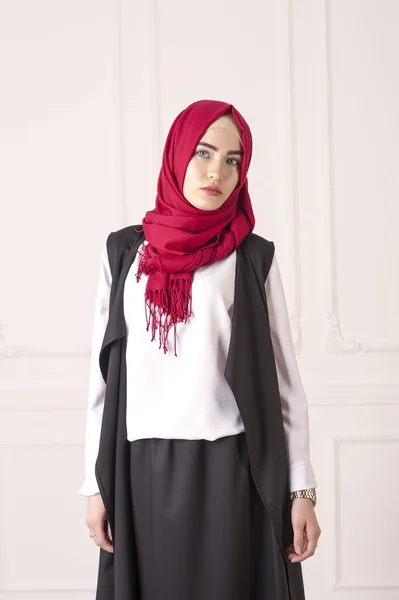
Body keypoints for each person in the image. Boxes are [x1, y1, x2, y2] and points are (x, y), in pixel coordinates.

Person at [78, 99, 321, 600]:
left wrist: (301, 489)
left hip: (231, 470)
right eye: (203, 153)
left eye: (233, 160)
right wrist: (93, 482)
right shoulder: (125, 253)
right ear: (176, 155)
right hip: (140, 468)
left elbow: (283, 380)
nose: (216, 172)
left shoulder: (252, 257)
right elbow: (102, 379)